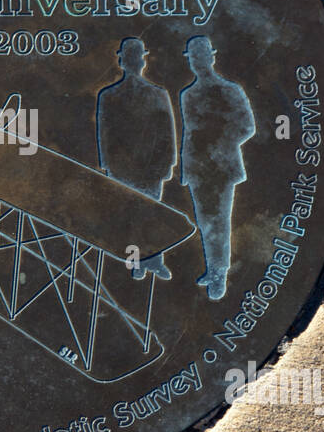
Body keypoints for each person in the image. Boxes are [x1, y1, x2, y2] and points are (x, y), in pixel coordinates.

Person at [179, 36, 255, 300]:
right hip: (198, 168)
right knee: (204, 222)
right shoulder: (187, 94)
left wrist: (219, 144)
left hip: (221, 167)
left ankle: (219, 275)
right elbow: (188, 133)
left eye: (201, 57)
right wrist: (186, 168)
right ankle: (211, 268)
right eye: (193, 58)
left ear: (211, 58)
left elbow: (247, 125)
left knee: (220, 222)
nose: (197, 63)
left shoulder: (230, 90)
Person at [96, 38, 176, 280]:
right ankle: (136, 263)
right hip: (123, 168)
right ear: (122, 61)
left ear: (142, 61)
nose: (133, 61)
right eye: (128, 57)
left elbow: (167, 133)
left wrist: (167, 164)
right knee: (129, 216)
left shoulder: (158, 94)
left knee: (151, 215)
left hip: (152, 168)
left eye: (136, 57)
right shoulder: (109, 96)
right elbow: (105, 133)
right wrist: (107, 165)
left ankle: (154, 261)